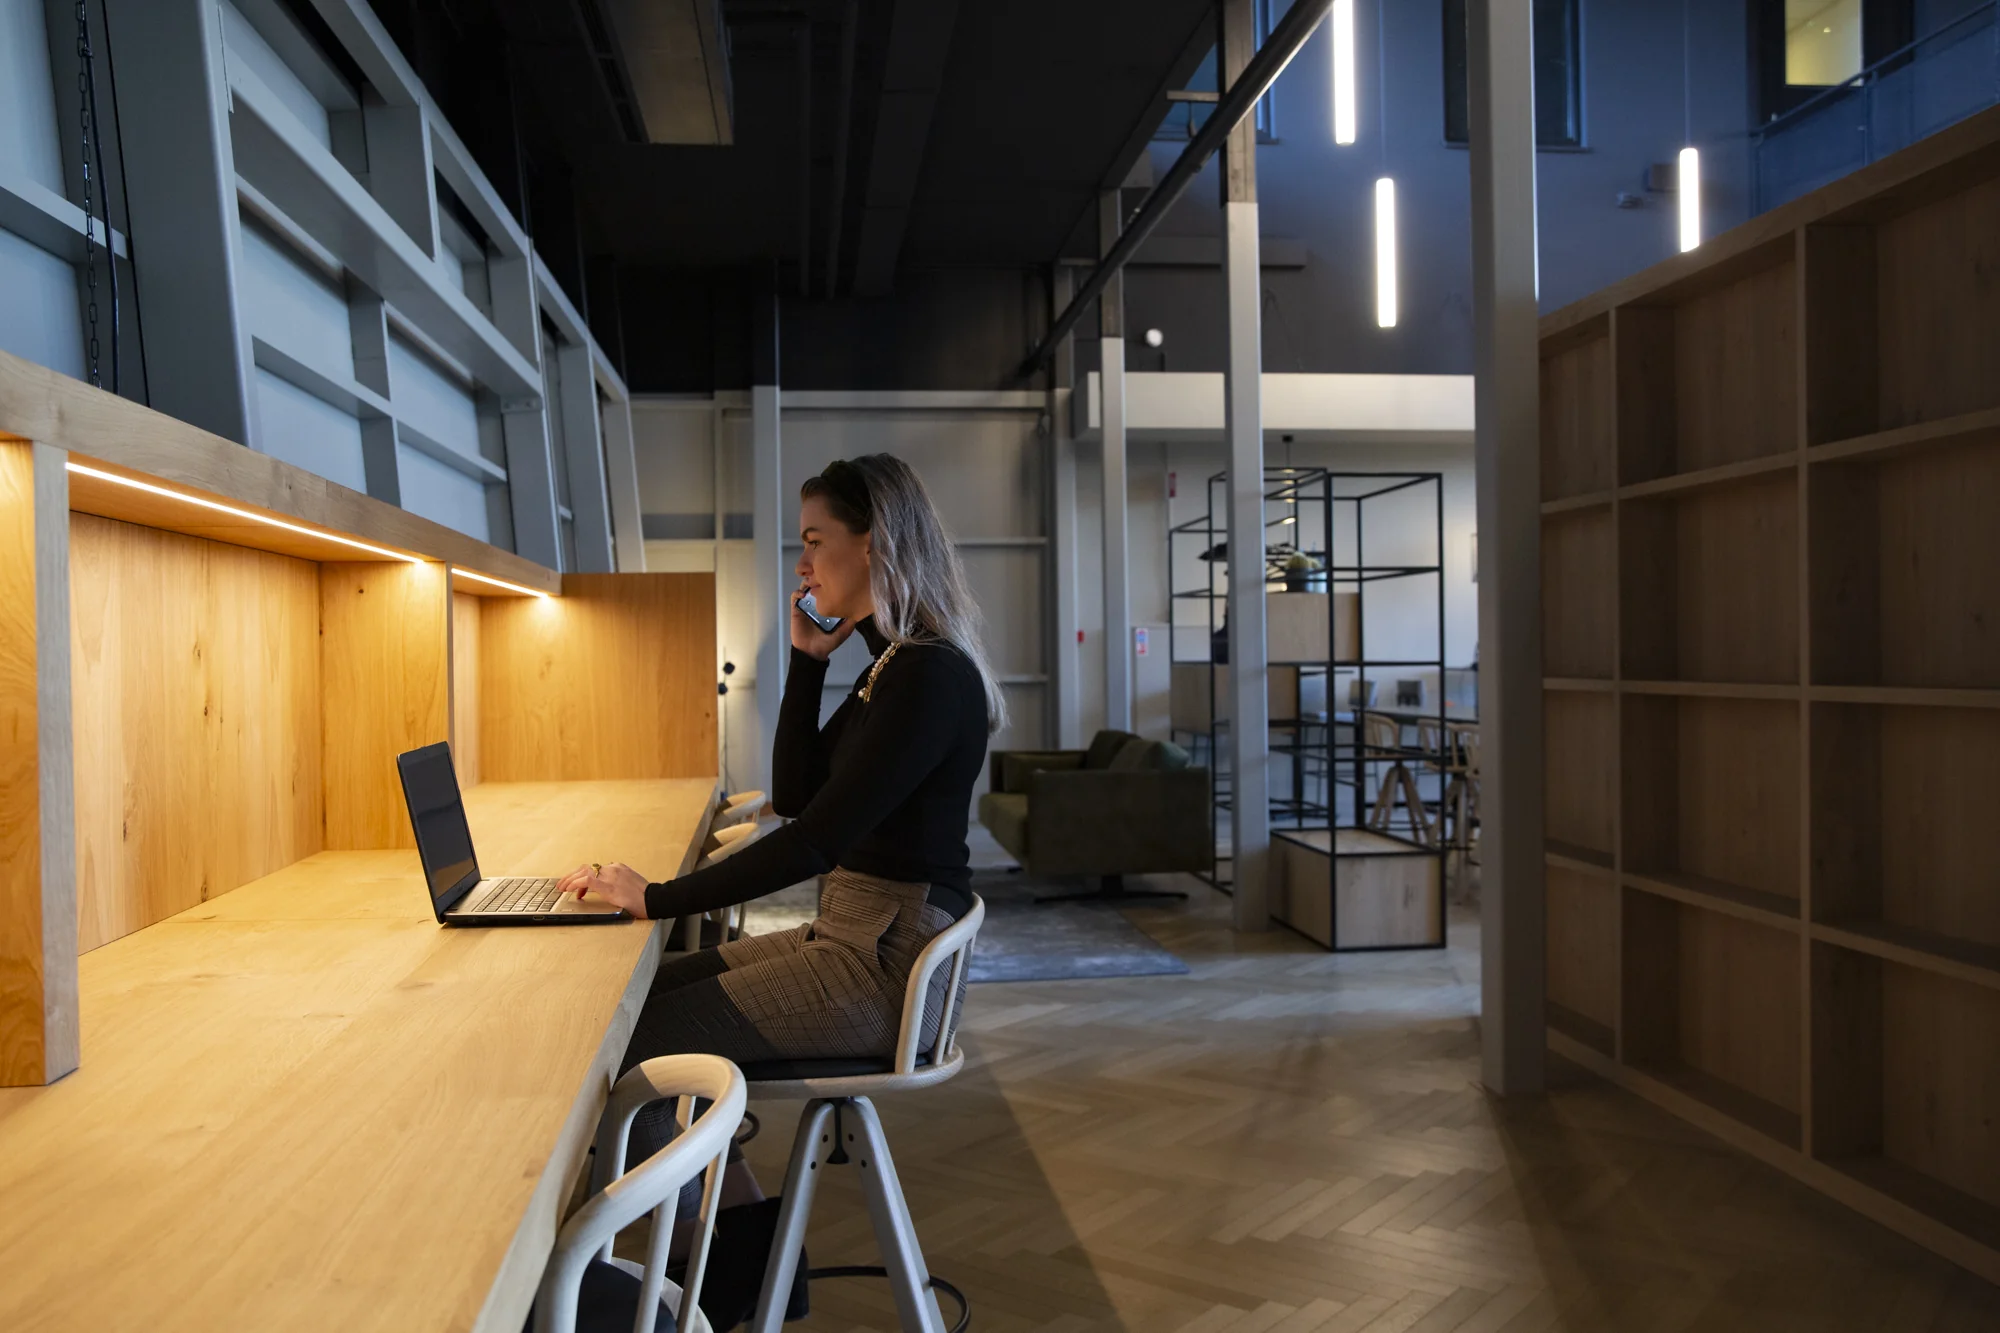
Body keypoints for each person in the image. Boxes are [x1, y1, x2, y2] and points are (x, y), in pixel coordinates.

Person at [553, 454, 1003, 1315]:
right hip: (851, 939)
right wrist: (806, 662)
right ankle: (745, 1262)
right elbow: (799, 794)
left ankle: (695, 1274)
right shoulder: (887, 668)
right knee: (641, 991)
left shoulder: (927, 674)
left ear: (872, 545)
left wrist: (654, 896)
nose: (803, 566)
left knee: (637, 1036)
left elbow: (814, 838)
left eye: (815, 542)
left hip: (879, 966)